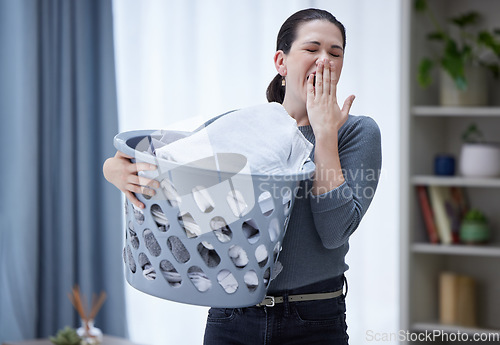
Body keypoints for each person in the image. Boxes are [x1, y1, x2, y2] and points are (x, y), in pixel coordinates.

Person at [103, 8, 381, 345]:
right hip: (231, 315)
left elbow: (334, 233)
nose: (325, 60)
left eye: (335, 53)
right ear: (281, 61)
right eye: (312, 49)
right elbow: (172, 166)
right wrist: (115, 168)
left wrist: (324, 136)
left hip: (313, 319)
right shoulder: (247, 127)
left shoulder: (356, 132)